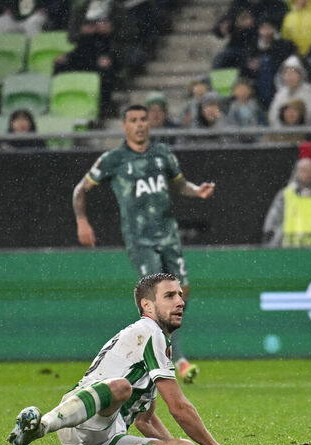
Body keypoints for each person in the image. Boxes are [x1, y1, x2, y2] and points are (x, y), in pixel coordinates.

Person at [6, 272, 238, 445]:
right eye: (169, 296)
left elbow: (144, 420)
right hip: (81, 418)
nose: (180, 302)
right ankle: (41, 427)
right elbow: (179, 408)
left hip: (106, 437)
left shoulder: (155, 341)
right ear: (147, 305)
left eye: (180, 295)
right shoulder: (149, 332)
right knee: (121, 387)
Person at [72, 105, 215, 383]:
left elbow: (180, 184)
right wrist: (82, 221)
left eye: (143, 120)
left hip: (169, 235)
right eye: (133, 120)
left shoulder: (162, 155)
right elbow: (80, 190)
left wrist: (196, 191)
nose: (139, 125)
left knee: (180, 292)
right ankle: (169, 358)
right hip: (140, 240)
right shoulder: (113, 159)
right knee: (158, 296)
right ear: (124, 126)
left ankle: (163, 351)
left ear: (149, 124)